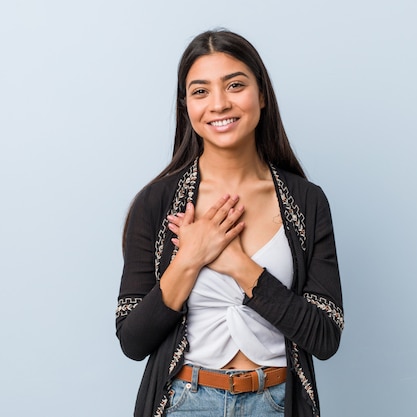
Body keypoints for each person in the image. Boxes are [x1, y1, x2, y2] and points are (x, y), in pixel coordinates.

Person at [116, 29, 344, 417]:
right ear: (185, 104)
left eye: (235, 85)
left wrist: (239, 265)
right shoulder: (156, 203)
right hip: (185, 401)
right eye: (200, 91)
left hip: (276, 401)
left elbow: (324, 337)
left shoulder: (306, 202)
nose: (219, 104)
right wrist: (190, 258)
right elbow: (133, 340)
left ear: (262, 95)